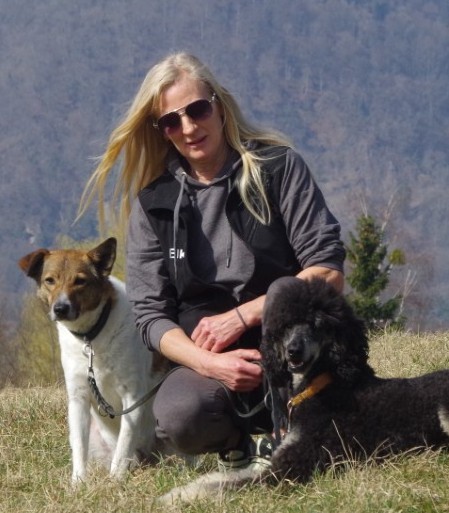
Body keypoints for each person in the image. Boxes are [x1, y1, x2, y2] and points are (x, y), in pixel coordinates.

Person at [82, 52, 345, 472]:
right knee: (180, 415)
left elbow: (327, 270)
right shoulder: (154, 205)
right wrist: (210, 364)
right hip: (213, 362)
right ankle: (237, 446)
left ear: (219, 106)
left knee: (286, 291)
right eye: (171, 121)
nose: (189, 127)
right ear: (161, 131)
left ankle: (299, 432)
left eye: (197, 110)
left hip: (296, 345)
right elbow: (150, 316)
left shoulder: (279, 169)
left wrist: (241, 317)